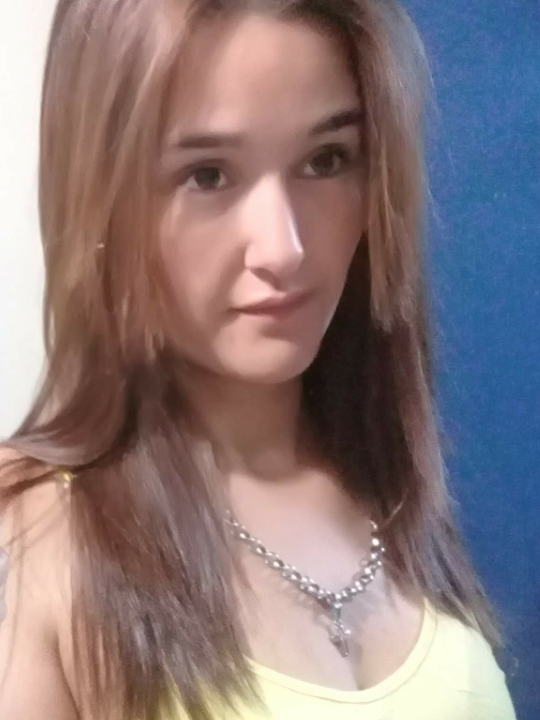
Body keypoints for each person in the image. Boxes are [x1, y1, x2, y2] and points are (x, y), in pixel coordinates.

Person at [0, 0, 517, 718]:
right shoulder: (36, 536)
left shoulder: (393, 477)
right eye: (208, 175)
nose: (285, 248)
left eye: (326, 160)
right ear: (100, 197)